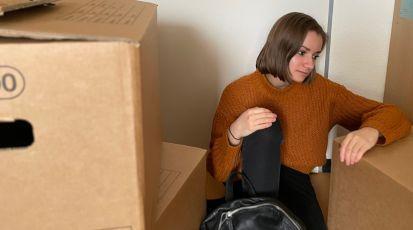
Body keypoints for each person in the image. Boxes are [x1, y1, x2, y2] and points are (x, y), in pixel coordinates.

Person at [207, 12, 411, 229]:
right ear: (280, 46)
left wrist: (371, 131)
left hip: (296, 180)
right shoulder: (238, 92)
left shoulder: (323, 92)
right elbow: (218, 170)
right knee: (265, 128)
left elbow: (393, 114)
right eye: (302, 52)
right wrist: (235, 132)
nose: (310, 64)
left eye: (315, 55)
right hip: (250, 182)